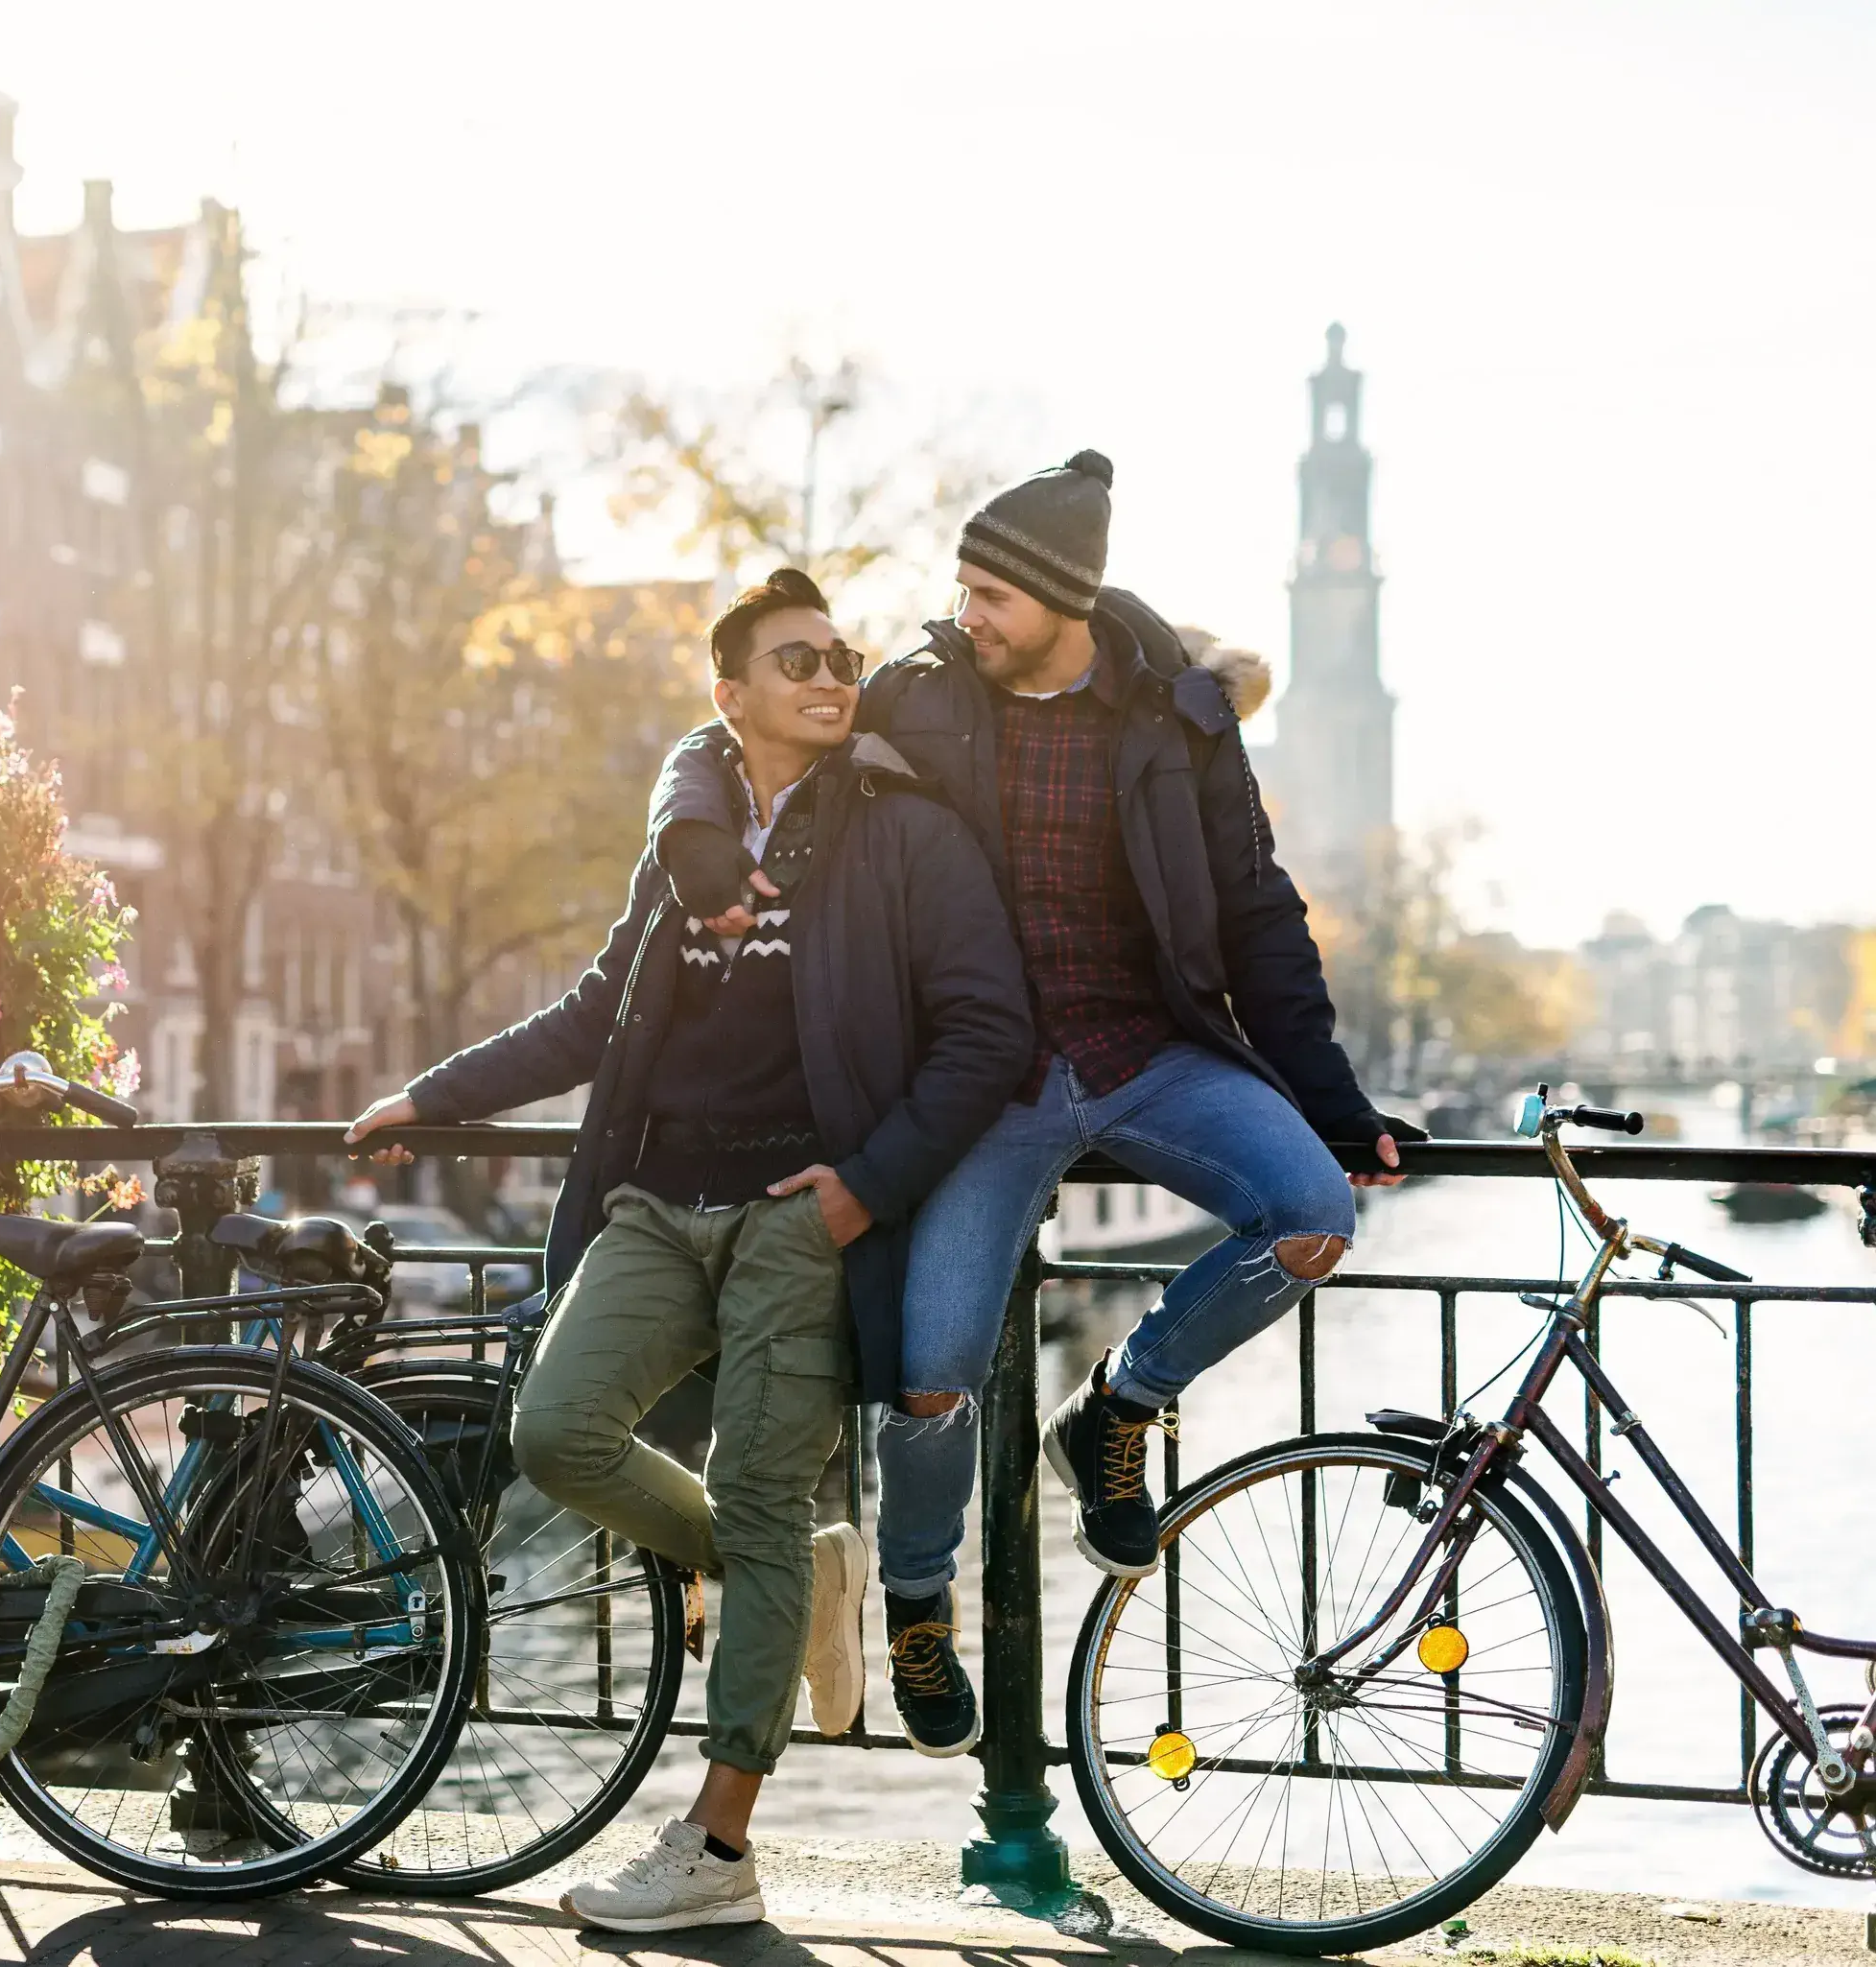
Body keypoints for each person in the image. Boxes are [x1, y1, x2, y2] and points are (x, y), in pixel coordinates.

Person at [650, 453, 1418, 1762]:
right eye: (963, 586)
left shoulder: (1173, 716)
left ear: (1065, 598)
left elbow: (1257, 913)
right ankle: (914, 1607)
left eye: (991, 591)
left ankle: (1115, 1406)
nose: (967, 611)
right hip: (981, 1086)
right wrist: (696, 836)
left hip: (1147, 1053)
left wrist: (1335, 1102)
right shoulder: (924, 695)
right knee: (932, 1380)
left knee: (1308, 1211)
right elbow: (734, 732)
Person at [346, 568, 1030, 1933]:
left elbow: (989, 1033)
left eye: (841, 656)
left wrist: (864, 1186)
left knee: (762, 1499)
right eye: (797, 662)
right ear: (730, 696)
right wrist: (436, 1093)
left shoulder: (907, 834)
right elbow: (597, 1010)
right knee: (556, 1430)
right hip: (657, 1202)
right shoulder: (687, 839)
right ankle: (790, 1571)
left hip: (802, 1215)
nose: (833, 676)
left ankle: (718, 1846)